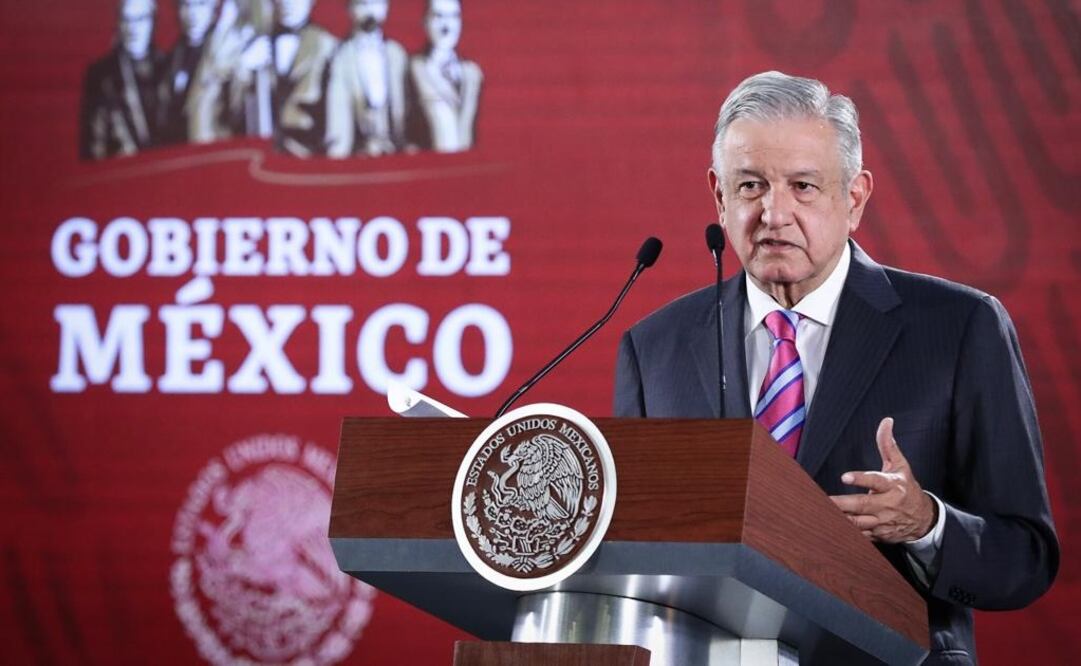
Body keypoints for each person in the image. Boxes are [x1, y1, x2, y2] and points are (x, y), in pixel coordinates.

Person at [613, 71, 1058, 664]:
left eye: (802, 186)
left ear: (854, 199)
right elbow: (632, 554)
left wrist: (925, 525)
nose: (774, 213)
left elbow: (1024, 559)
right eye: (750, 186)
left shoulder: (961, 328)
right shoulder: (655, 348)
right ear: (719, 196)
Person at [187, 0, 337, 156]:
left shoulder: (328, 47)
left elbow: (336, 124)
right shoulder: (249, 43)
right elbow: (218, 106)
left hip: (307, 162)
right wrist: (243, 66)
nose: (288, 3)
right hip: (253, 160)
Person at [80, 0, 164, 159]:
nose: (133, 29)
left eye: (140, 19)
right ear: (118, 23)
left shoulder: (167, 65)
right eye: (127, 20)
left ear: (152, 21)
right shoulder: (101, 75)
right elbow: (93, 145)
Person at [325, 0, 408, 158]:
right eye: (362, 3)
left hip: (396, 152)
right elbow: (337, 117)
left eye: (376, 3)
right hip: (357, 154)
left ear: (386, 7)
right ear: (349, 9)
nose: (369, 10)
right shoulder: (339, 58)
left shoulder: (397, 54)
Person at [405, 0, 482, 153]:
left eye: (454, 17)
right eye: (438, 16)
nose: (447, 27)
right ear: (425, 22)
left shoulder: (472, 74)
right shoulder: (413, 68)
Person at [157, 0, 218, 145]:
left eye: (201, 4)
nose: (192, 13)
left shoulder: (226, 54)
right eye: (185, 4)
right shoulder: (171, 58)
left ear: (215, 6)